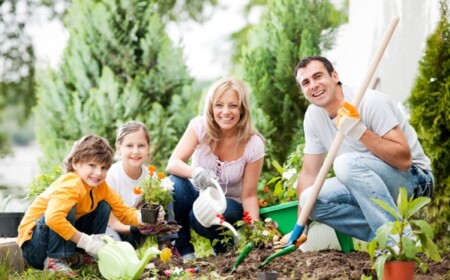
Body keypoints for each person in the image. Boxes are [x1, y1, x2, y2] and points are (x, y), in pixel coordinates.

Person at [285, 56, 434, 246]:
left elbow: (404, 160)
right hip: (366, 182)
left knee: (345, 163)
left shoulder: (370, 102)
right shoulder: (314, 116)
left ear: (334, 76)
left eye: (318, 76)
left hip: (415, 180)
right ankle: (396, 239)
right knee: (309, 199)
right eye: (305, 82)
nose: (313, 85)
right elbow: (308, 174)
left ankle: (394, 242)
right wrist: (301, 224)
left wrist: (360, 131)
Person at [17, 135, 164, 277]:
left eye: (104, 168)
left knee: (104, 206)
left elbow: (124, 212)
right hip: (36, 247)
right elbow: (53, 219)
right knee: (64, 210)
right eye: (92, 165)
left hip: (58, 240)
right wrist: (87, 242)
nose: (98, 173)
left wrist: (146, 217)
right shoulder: (71, 184)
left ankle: (81, 257)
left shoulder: (101, 187)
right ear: (76, 163)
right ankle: (55, 261)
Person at [166, 77, 265, 260]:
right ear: (211, 107)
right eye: (219, 105)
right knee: (174, 184)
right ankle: (184, 252)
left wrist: (256, 234)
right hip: (196, 192)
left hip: (228, 203)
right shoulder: (200, 127)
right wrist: (196, 172)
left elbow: (249, 195)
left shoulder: (253, 144)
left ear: (242, 109)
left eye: (233, 106)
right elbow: (173, 163)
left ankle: (224, 246)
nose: (225, 112)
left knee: (200, 218)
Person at [105, 121, 177, 250]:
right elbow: (113, 223)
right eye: (129, 146)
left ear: (148, 148)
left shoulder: (151, 177)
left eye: (141, 146)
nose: (136, 151)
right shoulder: (111, 177)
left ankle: (166, 244)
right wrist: (139, 227)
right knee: (117, 253)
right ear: (119, 148)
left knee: (167, 187)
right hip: (112, 231)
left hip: (137, 232)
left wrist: (154, 222)